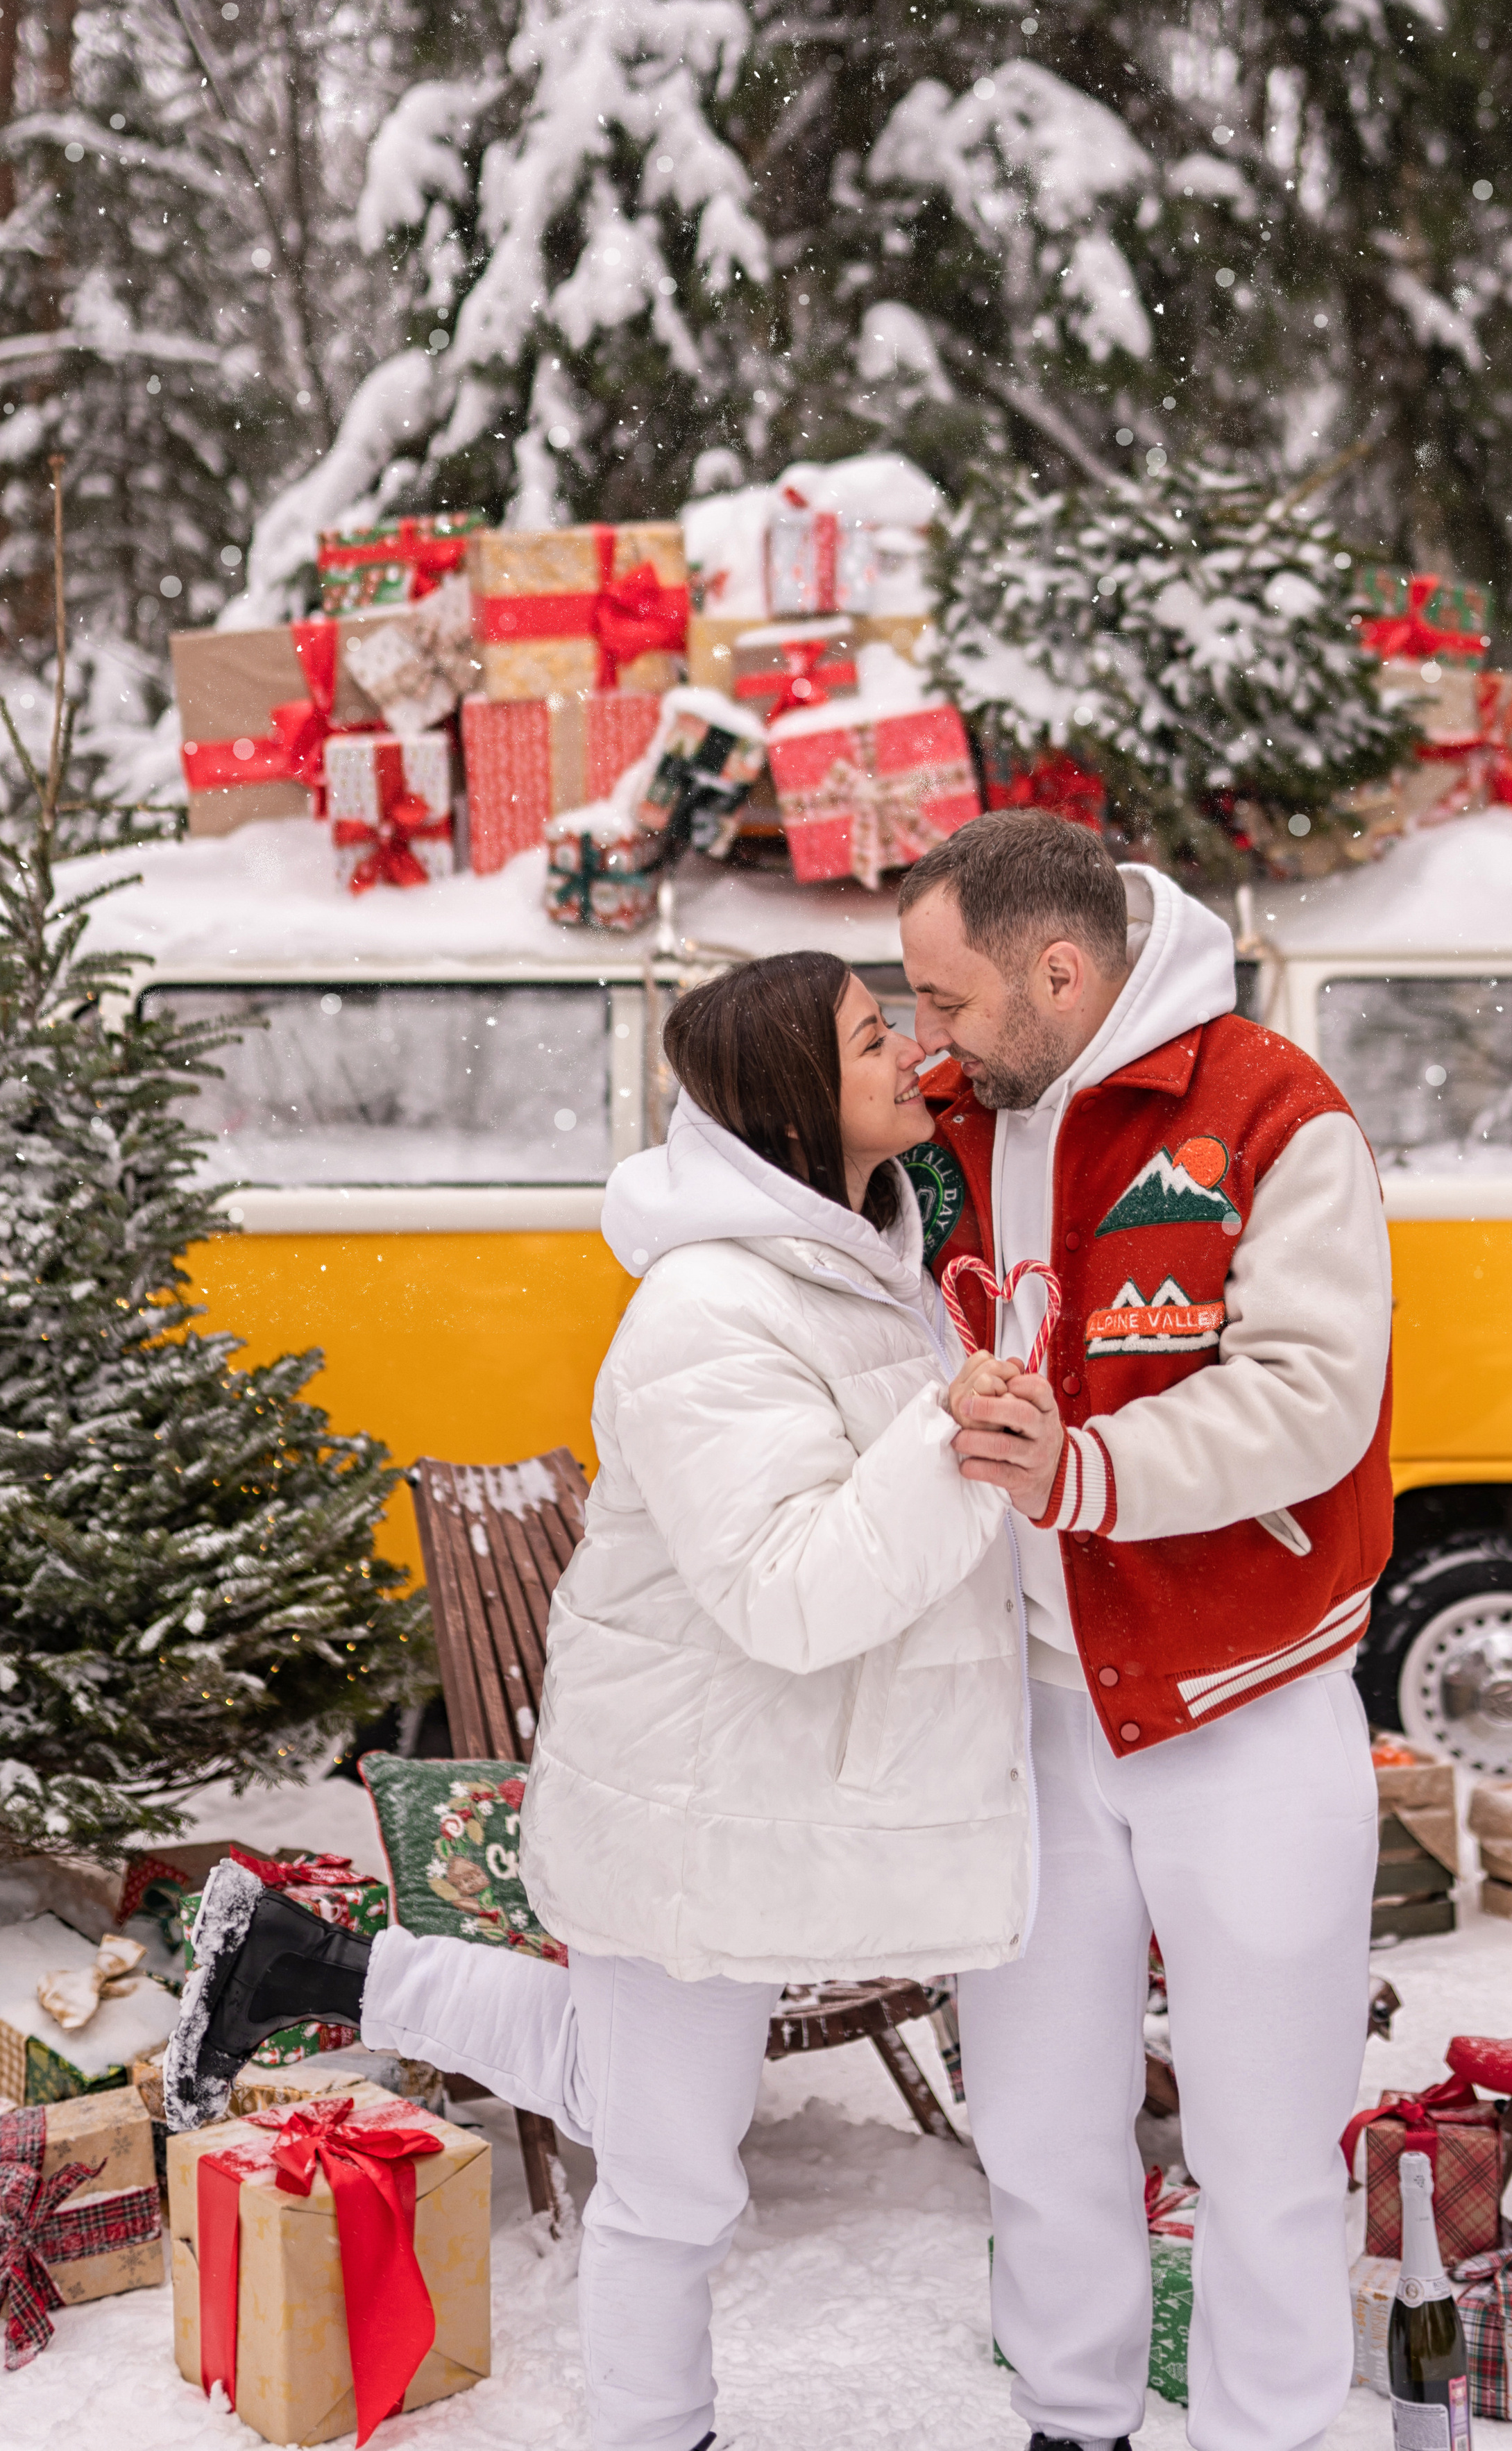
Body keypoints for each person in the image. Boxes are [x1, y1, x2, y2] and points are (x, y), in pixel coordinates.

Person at [162, 949, 1030, 2451]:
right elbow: (789, 1587)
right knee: (671, 2173)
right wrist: (946, 1443)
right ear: (788, 1106)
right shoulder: (708, 1311)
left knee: (639, 2101)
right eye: (867, 1036)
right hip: (691, 1794)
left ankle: (304, 1965)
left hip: (763, 1791)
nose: (908, 1053)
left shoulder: (864, 1257)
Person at [897, 809, 1393, 2451]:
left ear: (1059, 969)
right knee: (1040, 2129)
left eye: (947, 999)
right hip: (1029, 1715)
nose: (926, 1037)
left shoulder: (1269, 1112)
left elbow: (1314, 1398)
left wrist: (1089, 1469)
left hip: (1244, 1710)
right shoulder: (946, 1125)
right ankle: (1071, 2419)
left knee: (1262, 2146)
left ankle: (1267, 2433)